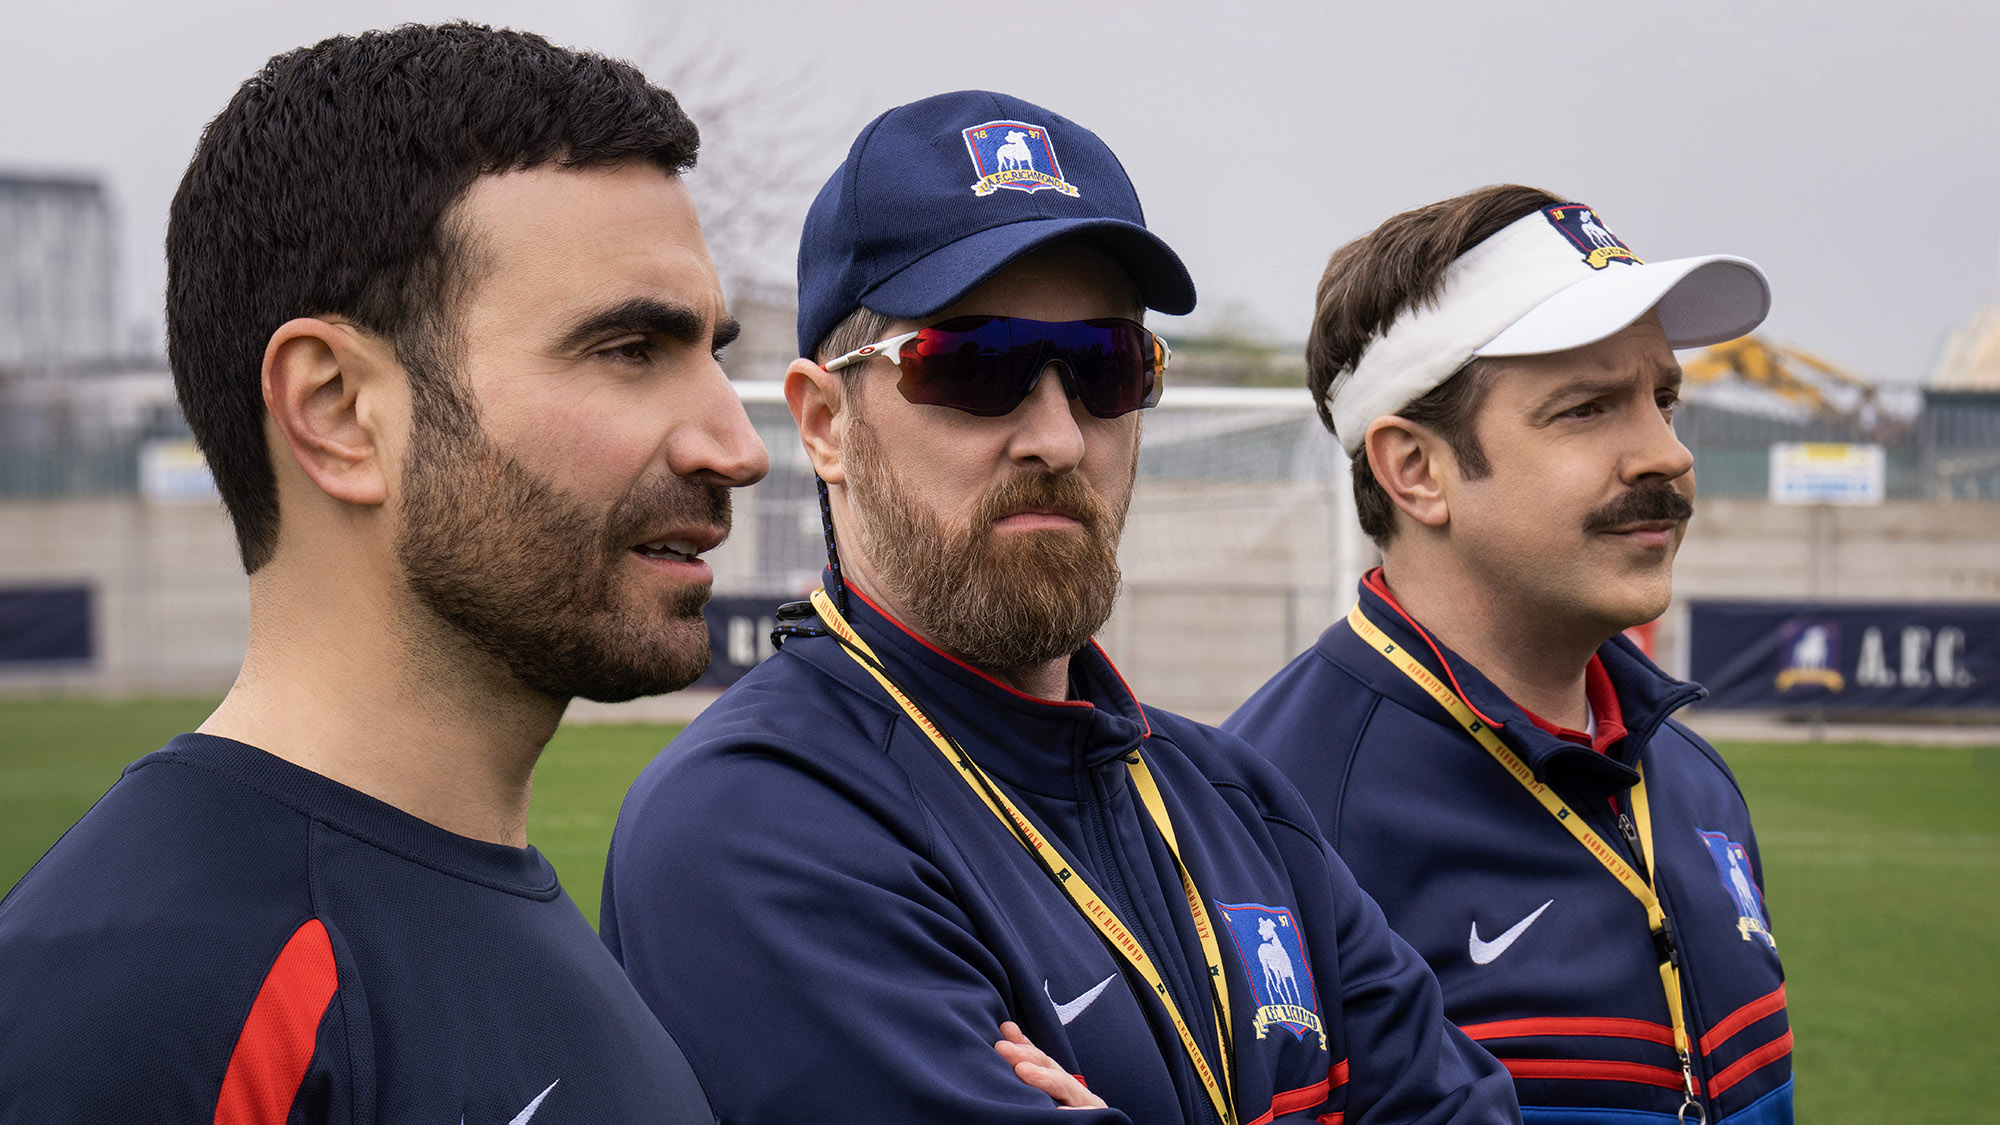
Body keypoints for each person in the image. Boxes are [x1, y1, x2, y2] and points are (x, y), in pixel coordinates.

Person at [600, 90, 1519, 1125]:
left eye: (1103, 368)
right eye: (973, 366)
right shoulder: (753, 824)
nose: (1057, 436)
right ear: (821, 423)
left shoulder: (1232, 801)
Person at [0, 23, 767, 1122]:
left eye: (711, 353)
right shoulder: (139, 1005)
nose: (731, 446)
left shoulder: (503, 911)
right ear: (338, 411)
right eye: (627, 351)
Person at [1225, 186, 1792, 1124]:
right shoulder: (1272, 820)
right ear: (1415, 469)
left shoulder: (1690, 777)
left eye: (1663, 398)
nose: (1666, 454)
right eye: (1586, 409)